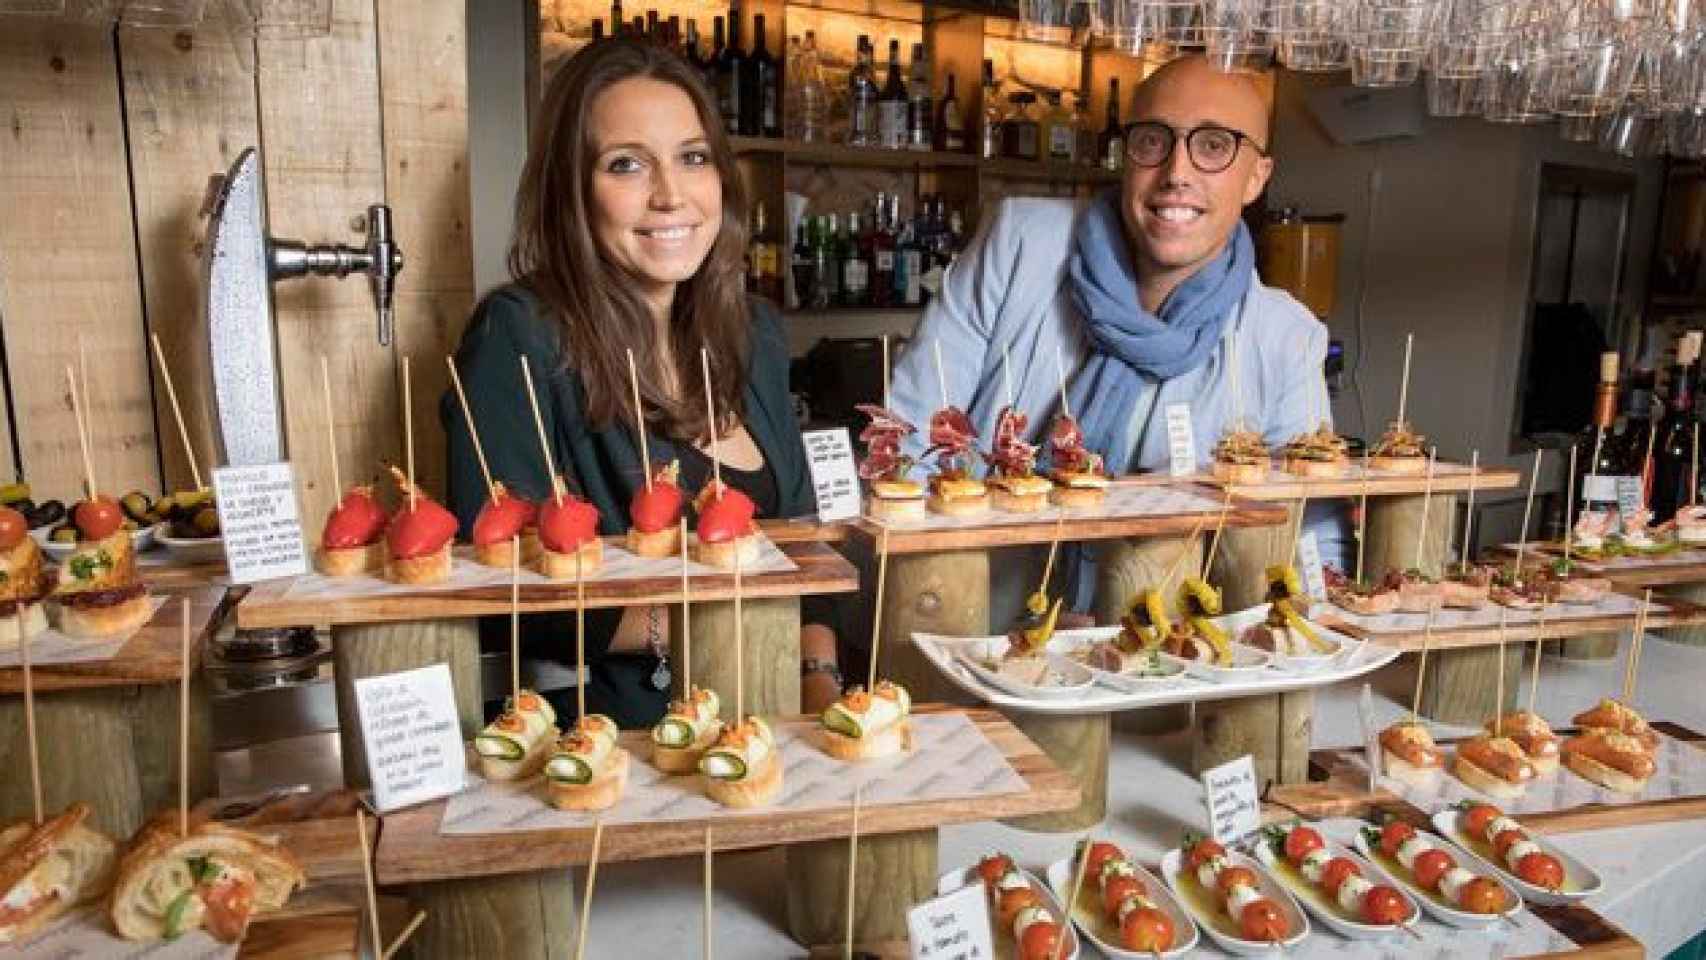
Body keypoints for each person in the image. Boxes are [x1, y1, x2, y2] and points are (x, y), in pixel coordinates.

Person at [443, 37, 841, 729]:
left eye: (693, 158)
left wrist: (819, 682)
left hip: (778, 714)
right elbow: (497, 584)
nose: (670, 195)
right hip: (622, 741)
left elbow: (806, 550)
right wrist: (712, 619)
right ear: (573, 191)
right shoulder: (521, 335)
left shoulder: (755, 331)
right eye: (626, 164)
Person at [888, 56, 1345, 609]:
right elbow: (909, 443)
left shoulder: (1284, 337)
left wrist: (1313, 625)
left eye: (1215, 145)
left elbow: (1307, 530)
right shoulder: (1022, 246)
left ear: (1256, 178)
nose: (1177, 172)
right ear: (1126, 155)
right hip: (977, 616)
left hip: (1163, 656)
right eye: (1154, 141)